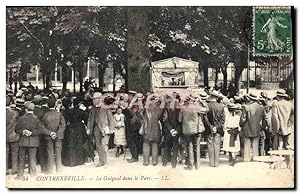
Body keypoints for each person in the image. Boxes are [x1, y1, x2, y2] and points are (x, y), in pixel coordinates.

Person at [15, 102, 56, 179]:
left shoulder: (21, 118)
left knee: (21, 159)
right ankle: (33, 175)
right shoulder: (36, 119)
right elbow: (41, 130)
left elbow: (17, 129)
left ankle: (20, 175)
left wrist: (23, 131)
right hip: (33, 142)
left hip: (23, 141)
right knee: (32, 159)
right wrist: (50, 133)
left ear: (26, 109)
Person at [180, 92, 209, 170]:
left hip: (187, 130)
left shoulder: (183, 107)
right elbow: (207, 109)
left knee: (189, 147)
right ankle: (197, 165)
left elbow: (179, 119)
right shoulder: (197, 108)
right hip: (197, 129)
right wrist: (202, 101)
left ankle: (190, 165)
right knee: (197, 147)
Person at [87, 92, 114, 167]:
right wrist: (89, 128)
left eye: (94, 99)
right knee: (98, 146)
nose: (93, 101)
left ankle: (105, 162)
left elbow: (111, 118)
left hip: (104, 129)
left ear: (99, 99)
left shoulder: (105, 108)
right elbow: (90, 119)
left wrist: (111, 129)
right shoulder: (93, 109)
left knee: (104, 145)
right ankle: (101, 161)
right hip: (95, 129)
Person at [240, 93, 267, 162]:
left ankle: (247, 159)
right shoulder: (261, 107)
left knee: (247, 145)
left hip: (247, 129)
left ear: (249, 99)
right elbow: (265, 119)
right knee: (255, 145)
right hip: (257, 129)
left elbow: (243, 119)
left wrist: (241, 125)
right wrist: (262, 127)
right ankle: (255, 159)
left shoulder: (246, 107)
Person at [62, 98, 88, 166]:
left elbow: (65, 120)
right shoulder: (82, 111)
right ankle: (79, 161)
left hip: (71, 128)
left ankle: (71, 161)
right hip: (80, 128)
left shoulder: (69, 111)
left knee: (71, 144)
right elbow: (86, 121)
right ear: (79, 104)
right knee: (79, 144)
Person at [42, 98, 66, 173]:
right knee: (58, 152)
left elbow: (43, 127)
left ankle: (50, 170)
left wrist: (50, 133)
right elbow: (63, 125)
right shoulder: (59, 114)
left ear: (47, 105)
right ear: (55, 105)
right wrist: (57, 133)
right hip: (58, 136)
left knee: (50, 152)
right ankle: (59, 169)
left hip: (48, 136)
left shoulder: (45, 115)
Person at [204, 90, 225, 167]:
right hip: (218, 129)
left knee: (210, 145)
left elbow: (205, 119)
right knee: (217, 145)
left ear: (211, 97)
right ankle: (216, 163)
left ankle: (211, 163)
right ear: (216, 98)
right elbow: (223, 119)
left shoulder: (207, 105)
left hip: (209, 129)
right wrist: (217, 127)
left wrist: (211, 127)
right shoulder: (221, 106)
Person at [141, 101, 164, 166]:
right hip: (156, 132)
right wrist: (163, 99)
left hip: (147, 131)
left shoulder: (146, 111)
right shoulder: (158, 112)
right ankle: (154, 162)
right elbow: (162, 107)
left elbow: (143, 107)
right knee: (155, 146)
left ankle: (146, 161)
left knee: (146, 145)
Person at [161, 101, 181, 168]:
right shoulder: (179, 111)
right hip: (175, 132)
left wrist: (171, 130)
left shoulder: (166, 111)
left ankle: (165, 161)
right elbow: (180, 123)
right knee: (175, 147)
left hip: (168, 131)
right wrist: (176, 131)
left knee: (167, 146)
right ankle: (173, 163)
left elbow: (165, 121)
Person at [6, 96, 20, 175]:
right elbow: (18, 124)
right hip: (14, 135)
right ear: (11, 103)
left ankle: (5, 169)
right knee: (15, 153)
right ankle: (14, 169)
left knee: (4, 152)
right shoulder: (15, 113)